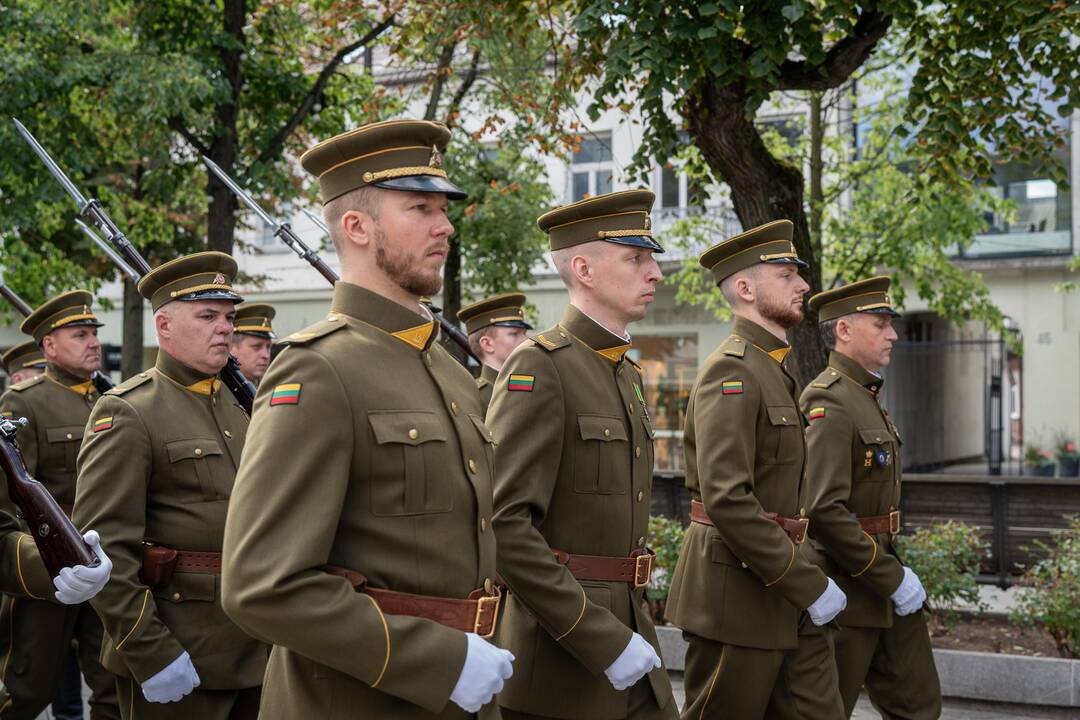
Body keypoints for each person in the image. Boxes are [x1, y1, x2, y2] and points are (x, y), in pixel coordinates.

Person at [221, 119, 514, 719]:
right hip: (358, 698)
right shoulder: (318, 370)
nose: (445, 225)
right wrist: (438, 659)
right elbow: (261, 586)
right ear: (356, 226)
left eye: (443, 208)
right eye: (420, 208)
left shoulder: (451, 371)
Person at [486, 189, 676, 720]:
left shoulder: (625, 371)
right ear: (584, 270)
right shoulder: (540, 367)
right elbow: (504, 523)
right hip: (564, 657)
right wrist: (596, 635)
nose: (655, 272)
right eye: (637, 258)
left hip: (632, 630)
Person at [665, 220, 847, 719]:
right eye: (787, 275)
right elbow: (728, 499)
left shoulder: (772, 368)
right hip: (736, 599)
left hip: (782, 585)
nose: (803, 285)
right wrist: (807, 581)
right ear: (745, 289)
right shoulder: (734, 369)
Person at [74, 253, 268, 719]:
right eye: (207, 316)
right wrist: (151, 652)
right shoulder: (129, 410)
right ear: (163, 326)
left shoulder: (244, 407)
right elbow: (102, 552)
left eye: (228, 317)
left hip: (258, 646)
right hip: (180, 649)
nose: (224, 328)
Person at [801, 276, 941, 718]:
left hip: (882, 576)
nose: (893, 334)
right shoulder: (829, 400)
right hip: (847, 588)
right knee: (828, 709)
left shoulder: (867, 396)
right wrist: (890, 577)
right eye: (880, 324)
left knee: (919, 705)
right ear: (844, 330)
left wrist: (894, 575)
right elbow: (823, 509)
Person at [0, 291, 118, 720]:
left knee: (110, 682)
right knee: (28, 687)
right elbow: (12, 497)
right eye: (80, 334)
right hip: (52, 558)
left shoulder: (111, 399)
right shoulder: (25, 402)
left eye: (94, 334)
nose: (93, 342)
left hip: (107, 559)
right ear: (49, 346)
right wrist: (37, 557)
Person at [456, 293, 532, 410]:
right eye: (514, 334)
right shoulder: (474, 397)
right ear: (487, 344)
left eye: (524, 333)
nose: (526, 340)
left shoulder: (527, 384)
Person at [229, 303, 275, 385]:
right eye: (257, 347)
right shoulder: (216, 389)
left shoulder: (270, 387)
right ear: (231, 347)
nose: (266, 355)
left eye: (268, 347)